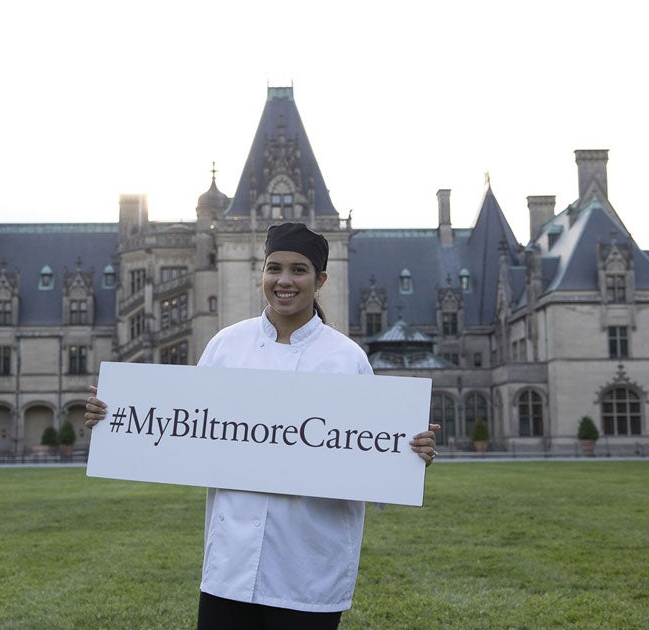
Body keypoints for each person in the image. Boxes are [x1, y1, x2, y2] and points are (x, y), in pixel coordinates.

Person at [85, 222, 439, 629]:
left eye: (298, 270)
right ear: (262, 274)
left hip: (310, 566)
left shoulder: (346, 359)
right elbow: (181, 427)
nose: (284, 280)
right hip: (230, 565)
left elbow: (374, 452)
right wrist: (111, 417)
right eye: (274, 268)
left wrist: (410, 454)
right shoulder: (226, 345)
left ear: (320, 279)